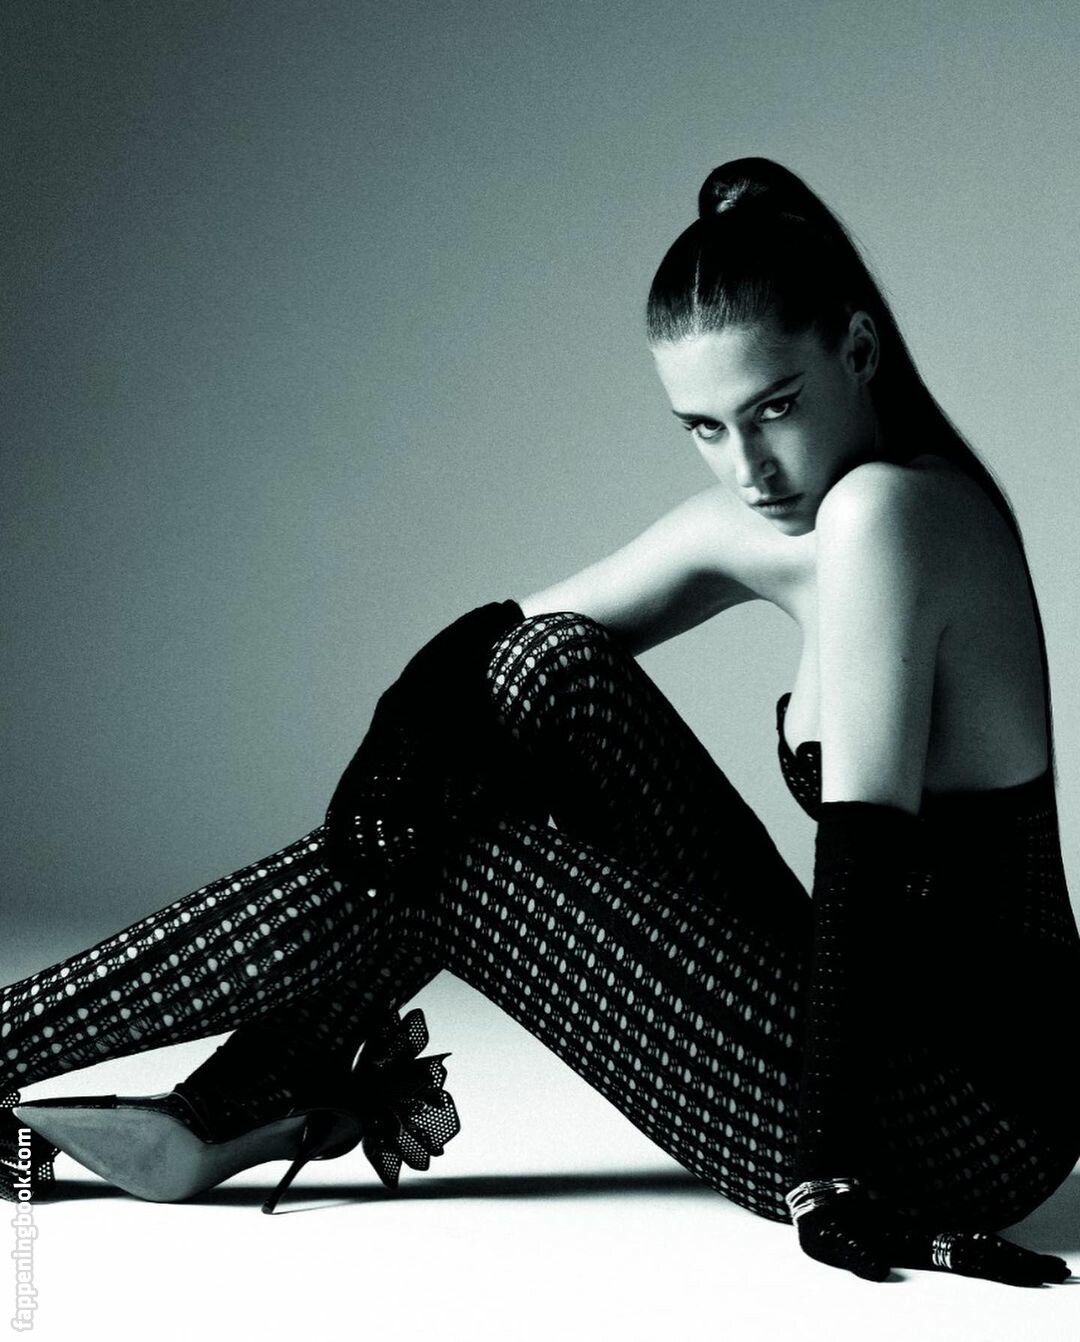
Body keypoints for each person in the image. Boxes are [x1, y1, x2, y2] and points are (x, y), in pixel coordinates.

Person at [3, 157, 1077, 1287]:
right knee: (545, 670)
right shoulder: (788, 517)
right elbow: (504, 647)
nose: (750, 466)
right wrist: (395, 755)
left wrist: (825, 1175)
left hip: (963, 1115)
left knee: (461, 862)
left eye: (776, 409)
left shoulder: (887, 511)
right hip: (860, 1028)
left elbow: (864, 875)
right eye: (704, 428)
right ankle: (247, 1093)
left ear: (857, 351)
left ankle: (153, 1067)